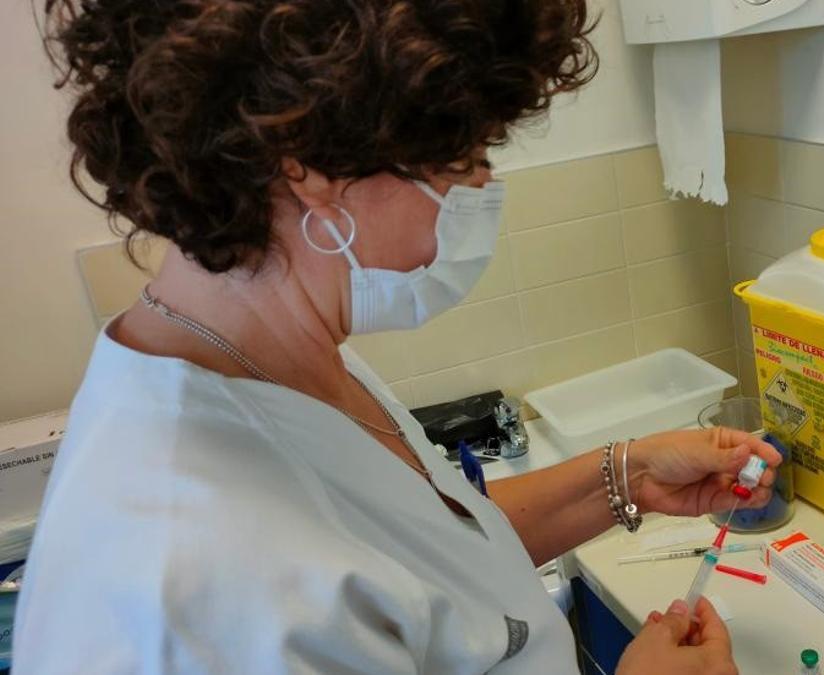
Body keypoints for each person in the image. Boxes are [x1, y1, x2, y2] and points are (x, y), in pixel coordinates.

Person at [14, 1, 781, 673]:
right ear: (309, 161)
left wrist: (628, 475)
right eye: (463, 158)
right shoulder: (195, 595)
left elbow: (426, 564)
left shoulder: (269, 362)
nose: (482, 189)